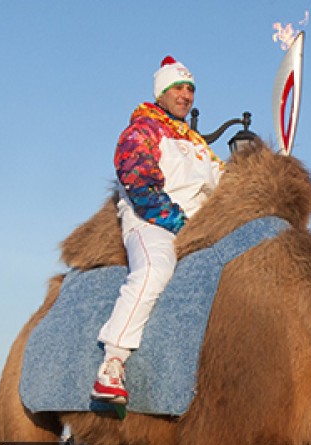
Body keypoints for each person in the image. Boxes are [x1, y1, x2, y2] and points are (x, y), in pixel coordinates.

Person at [91, 56, 224, 404]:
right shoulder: (141, 131)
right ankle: (113, 362)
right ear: (162, 92)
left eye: (190, 89)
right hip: (151, 221)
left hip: (201, 227)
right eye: (178, 87)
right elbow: (138, 181)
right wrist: (178, 223)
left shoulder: (198, 145)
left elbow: (227, 183)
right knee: (155, 268)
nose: (186, 95)